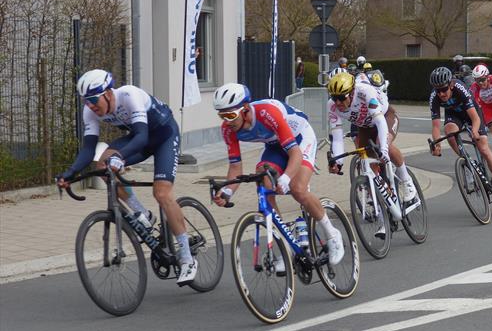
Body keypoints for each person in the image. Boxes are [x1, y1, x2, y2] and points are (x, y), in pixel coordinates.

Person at [56, 69, 197, 285]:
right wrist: (69, 173)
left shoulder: (129, 95)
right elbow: (88, 149)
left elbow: (141, 136)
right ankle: (142, 213)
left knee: (161, 192)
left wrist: (120, 156)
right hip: (139, 139)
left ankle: (187, 257)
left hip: (164, 136)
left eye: (94, 99)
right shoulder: (90, 112)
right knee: (103, 164)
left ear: (109, 93)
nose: (91, 106)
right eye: (86, 101)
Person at [211, 83, 345, 265]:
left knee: (297, 189)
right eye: (222, 115)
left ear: (244, 109)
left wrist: (286, 178)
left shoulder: (267, 113)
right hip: (275, 146)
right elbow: (235, 167)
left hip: (300, 138)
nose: (227, 121)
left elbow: (295, 153)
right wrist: (226, 192)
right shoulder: (228, 129)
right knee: (262, 178)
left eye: (230, 115)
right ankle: (286, 245)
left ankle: (332, 234)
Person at [327, 72, 418, 206]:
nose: (338, 102)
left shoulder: (365, 92)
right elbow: (338, 138)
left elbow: (380, 122)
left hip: (385, 117)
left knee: (381, 143)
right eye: (334, 98)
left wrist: (384, 150)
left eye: (341, 97)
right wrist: (338, 162)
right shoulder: (332, 106)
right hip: (365, 127)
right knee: (366, 159)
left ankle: (406, 180)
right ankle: (382, 196)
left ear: (352, 93)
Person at [428, 67, 492, 205]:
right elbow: (436, 126)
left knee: (483, 147)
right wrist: (436, 144)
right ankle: (467, 163)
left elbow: (475, 119)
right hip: (454, 115)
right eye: (438, 91)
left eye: (444, 89)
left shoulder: (460, 89)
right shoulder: (434, 97)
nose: (441, 94)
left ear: (451, 85)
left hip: (471, 113)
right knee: (449, 132)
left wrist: (475, 131)